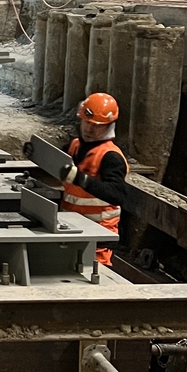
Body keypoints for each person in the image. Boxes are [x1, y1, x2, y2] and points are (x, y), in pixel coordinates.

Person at [58, 93, 129, 268]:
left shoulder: (111, 157)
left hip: (98, 236)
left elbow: (117, 194)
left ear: (109, 126)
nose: (89, 129)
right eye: (87, 122)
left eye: (97, 126)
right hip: (71, 229)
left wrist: (80, 179)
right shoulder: (75, 145)